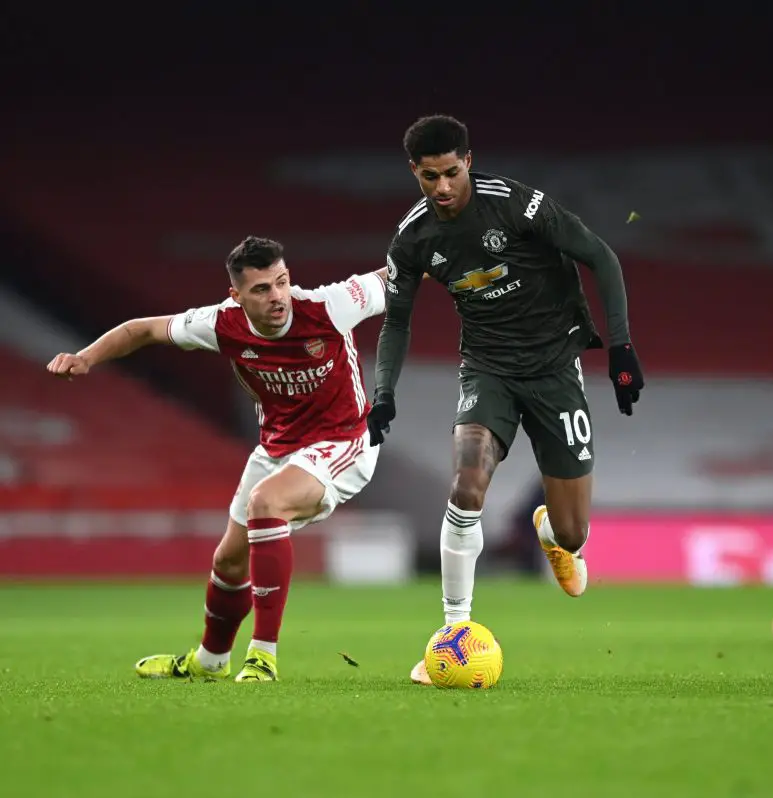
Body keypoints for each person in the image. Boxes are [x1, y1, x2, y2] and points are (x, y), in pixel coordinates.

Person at [366, 115, 643, 686]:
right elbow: (396, 321)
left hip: (555, 367)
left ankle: (552, 534)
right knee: (467, 482)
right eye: (429, 176)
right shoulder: (413, 238)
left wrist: (621, 347)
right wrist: (384, 392)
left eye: (451, 172)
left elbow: (601, 255)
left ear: (468, 161)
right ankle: (453, 633)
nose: (442, 187)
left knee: (574, 533)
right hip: (487, 369)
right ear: (414, 172)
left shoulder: (516, 205)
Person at [47, 236, 387, 682]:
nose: (277, 296)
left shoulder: (330, 305)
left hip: (345, 440)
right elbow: (141, 329)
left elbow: (395, 274)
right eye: (261, 289)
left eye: (282, 282)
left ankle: (262, 656)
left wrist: (448, 249)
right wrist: (85, 358)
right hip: (277, 447)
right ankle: (210, 661)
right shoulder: (222, 324)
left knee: (266, 503)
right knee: (228, 561)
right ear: (237, 296)